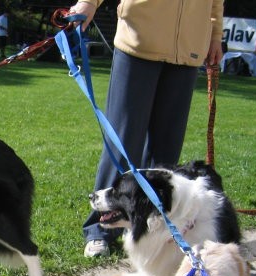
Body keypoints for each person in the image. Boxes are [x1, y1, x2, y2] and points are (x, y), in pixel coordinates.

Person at [69, 0, 224, 257]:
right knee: (123, 142)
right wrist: (88, 3)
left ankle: (150, 233)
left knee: (165, 153)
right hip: (138, 42)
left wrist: (215, 34)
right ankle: (100, 230)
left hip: (187, 52)